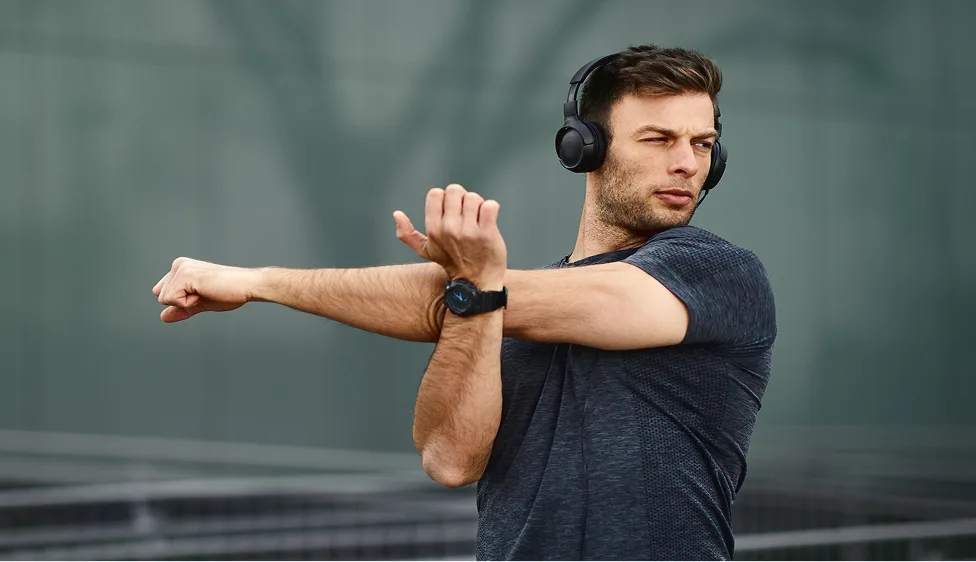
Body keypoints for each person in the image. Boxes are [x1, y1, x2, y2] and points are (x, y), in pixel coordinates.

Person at [153, 44, 776, 561]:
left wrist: (256, 280)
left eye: (701, 143)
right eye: (658, 138)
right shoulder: (500, 301)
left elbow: (488, 294)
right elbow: (450, 459)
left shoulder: (719, 273)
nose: (686, 164)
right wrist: (475, 297)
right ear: (583, 148)